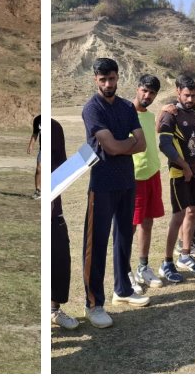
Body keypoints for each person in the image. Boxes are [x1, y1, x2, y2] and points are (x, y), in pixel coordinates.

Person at [80, 57, 148, 328]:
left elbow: (142, 143)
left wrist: (123, 146)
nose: (108, 84)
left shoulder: (126, 107)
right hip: (102, 184)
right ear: (95, 79)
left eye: (112, 78)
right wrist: (125, 145)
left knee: (124, 237)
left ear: (119, 77)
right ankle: (93, 304)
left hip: (127, 181)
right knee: (96, 244)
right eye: (103, 79)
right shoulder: (91, 108)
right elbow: (111, 148)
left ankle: (123, 289)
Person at [157, 75, 195, 282]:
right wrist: (185, 167)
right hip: (180, 173)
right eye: (187, 95)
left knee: (193, 212)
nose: (190, 99)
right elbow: (165, 145)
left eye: (194, 96)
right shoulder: (170, 115)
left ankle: (185, 255)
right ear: (178, 91)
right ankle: (166, 262)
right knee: (178, 217)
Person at [131, 74, 167, 291]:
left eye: (152, 93)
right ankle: (126, 274)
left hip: (153, 174)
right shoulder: (125, 112)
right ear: (137, 88)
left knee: (148, 222)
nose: (147, 96)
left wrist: (165, 110)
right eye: (144, 90)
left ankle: (143, 267)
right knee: (129, 227)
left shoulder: (150, 114)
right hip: (134, 177)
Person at [51, 118, 80, 330]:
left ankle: (53, 310)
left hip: (54, 209)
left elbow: (60, 166)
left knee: (60, 258)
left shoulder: (54, 128)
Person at [29, 113, 41, 199]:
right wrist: (31, 146)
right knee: (38, 169)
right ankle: (38, 191)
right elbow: (35, 134)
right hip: (43, 149)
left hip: (52, 148)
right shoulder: (37, 120)